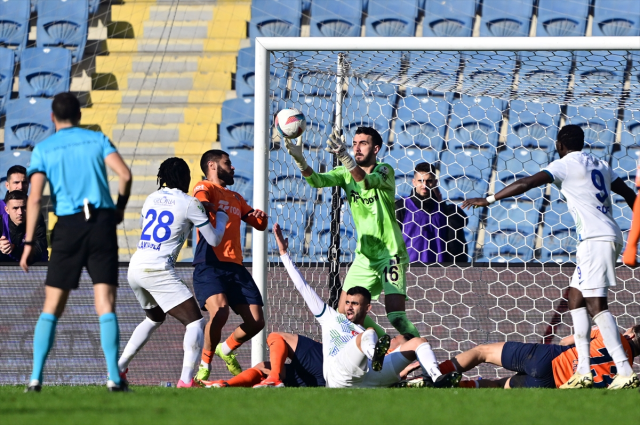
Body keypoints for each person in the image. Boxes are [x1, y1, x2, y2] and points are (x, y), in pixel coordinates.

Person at [462, 124, 639, 390]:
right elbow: (630, 195)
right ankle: (582, 371)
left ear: (559, 145)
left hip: (595, 238)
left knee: (596, 304)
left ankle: (625, 372)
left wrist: (489, 199)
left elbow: (526, 183)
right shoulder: (600, 163)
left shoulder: (565, 164)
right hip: (603, 236)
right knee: (575, 300)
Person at [21, 92, 132, 392]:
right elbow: (124, 174)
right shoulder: (96, 139)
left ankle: (35, 378)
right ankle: (112, 377)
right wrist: (119, 208)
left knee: (52, 305)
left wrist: (29, 242)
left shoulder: (44, 149)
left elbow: (34, 199)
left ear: (52, 118)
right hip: (101, 223)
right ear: (80, 115)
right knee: (105, 303)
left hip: (68, 225)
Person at [267, 222, 458, 389]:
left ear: (368, 308)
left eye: (355, 304)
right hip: (339, 375)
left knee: (419, 342)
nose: (349, 307)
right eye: (347, 302)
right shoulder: (330, 318)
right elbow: (303, 287)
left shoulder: (363, 332)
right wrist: (284, 253)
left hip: (369, 377)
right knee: (369, 334)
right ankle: (375, 357)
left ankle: (436, 378)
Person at [284, 127, 417, 338]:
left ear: (376, 148)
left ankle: (423, 355)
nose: (357, 148)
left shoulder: (385, 171)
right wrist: (301, 162)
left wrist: (345, 157)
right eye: (354, 144)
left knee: (396, 316)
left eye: (362, 143)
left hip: (390, 254)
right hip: (365, 256)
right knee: (343, 312)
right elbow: (317, 181)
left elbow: (365, 182)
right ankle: (386, 343)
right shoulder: (345, 173)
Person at [117, 158, 230, 388]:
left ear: (163, 177)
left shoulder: (151, 198)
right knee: (195, 323)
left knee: (154, 317)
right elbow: (214, 239)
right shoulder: (190, 203)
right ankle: (187, 380)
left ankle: (118, 369)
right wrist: (222, 219)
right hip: (157, 269)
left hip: (136, 266)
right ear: (185, 178)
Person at [192, 149, 268, 382]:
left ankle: (225, 349)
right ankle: (205, 364)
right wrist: (211, 207)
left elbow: (257, 223)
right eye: (228, 163)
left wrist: (260, 217)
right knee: (221, 310)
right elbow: (200, 200)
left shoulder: (236, 197)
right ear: (213, 166)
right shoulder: (205, 187)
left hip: (235, 266)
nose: (232, 167)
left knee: (256, 322)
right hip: (210, 263)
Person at [437, 324, 640, 389]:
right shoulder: (626, 374)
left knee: (482, 352)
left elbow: (565, 342)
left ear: (630, 333)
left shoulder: (610, 332)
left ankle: (435, 374)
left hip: (549, 359)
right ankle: (457, 388)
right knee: (499, 386)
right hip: (552, 385)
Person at [201, 332, 418, 388]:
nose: (390, 339)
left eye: (395, 339)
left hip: (329, 364)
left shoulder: (391, 360)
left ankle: (275, 379)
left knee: (277, 337)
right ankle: (226, 384)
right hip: (327, 377)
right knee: (262, 367)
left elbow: (390, 376)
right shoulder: (387, 364)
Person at [395, 162, 468, 263]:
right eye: (420, 181)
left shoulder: (443, 211)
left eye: (429, 181)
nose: (424, 185)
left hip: (437, 272)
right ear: (414, 182)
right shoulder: (401, 207)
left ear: (435, 182)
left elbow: (460, 224)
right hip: (408, 271)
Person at [0, 191, 47, 263]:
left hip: (35, 269)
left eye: (23, 207)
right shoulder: (1, 222)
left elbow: (38, 252)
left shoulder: (37, 221)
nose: (20, 212)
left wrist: (13, 248)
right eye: (15, 208)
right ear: (7, 210)